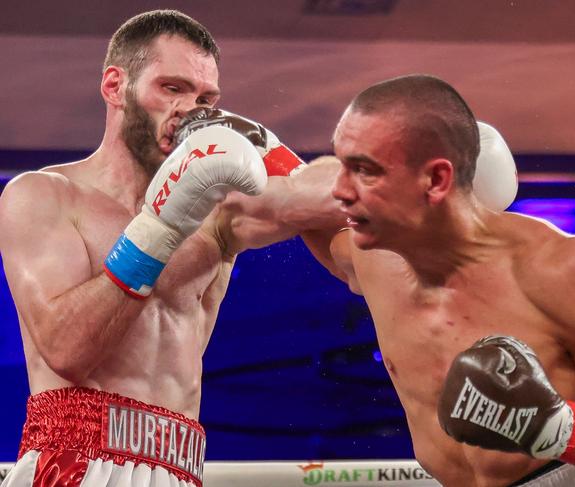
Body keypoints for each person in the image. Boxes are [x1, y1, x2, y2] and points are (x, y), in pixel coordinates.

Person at [0, 9, 343, 487]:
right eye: (172, 88)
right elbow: (67, 349)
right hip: (75, 462)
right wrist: (159, 226)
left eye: (207, 98)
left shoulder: (219, 212)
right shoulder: (45, 196)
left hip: (179, 467)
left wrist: (275, 153)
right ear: (115, 86)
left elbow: (337, 198)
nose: (192, 110)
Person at [318, 74, 575, 486]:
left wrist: (563, 430)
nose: (339, 189)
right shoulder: (373, 260)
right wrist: (259, 149)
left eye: (365, 170)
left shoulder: (561, 268)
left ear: (437, 180)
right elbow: (309, 216)